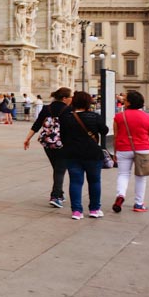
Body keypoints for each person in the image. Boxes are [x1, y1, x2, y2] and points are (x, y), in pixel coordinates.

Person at [111, 90, 149, 213]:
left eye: (125, 100)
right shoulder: (148, 118)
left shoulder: (119, 117)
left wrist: (115, 153)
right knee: (141, 177)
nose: (123, 101)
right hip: (143, 149)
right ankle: (139, 204)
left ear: (129, 103)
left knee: (123, 174)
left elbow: (115, 136)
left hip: (123, 149)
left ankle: (120, 196)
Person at [59, 91, 108, 220]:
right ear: (88, 103)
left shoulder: (66, 118)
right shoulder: (94, 116)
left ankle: (76, 211)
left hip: (72, 153)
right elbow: (104, 131)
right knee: (94, 181)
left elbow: (63, 137)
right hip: (92, 153)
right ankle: (94, 209)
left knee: (75, 181)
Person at [23, 87, 73, 208]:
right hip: (62, 144)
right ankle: (55, 196)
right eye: (70, 97)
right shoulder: (68, 110)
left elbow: (37, 125)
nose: (71, 99)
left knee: (57, 168)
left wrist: (27, 139)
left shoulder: (47, 108)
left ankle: (60, 193)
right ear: (64, 98)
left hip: (47, 143)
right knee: (60, 170)